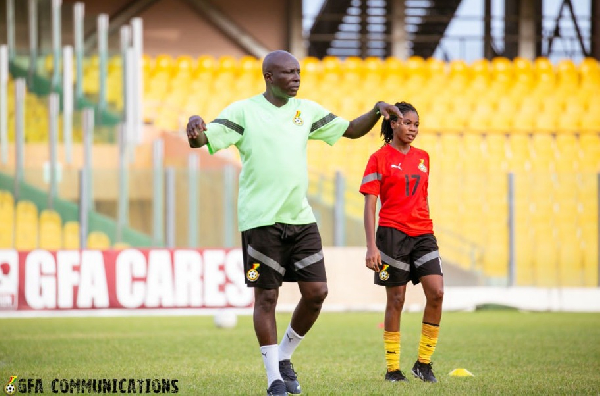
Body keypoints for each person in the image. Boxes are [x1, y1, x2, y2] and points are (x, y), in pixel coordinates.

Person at [186, 50, 401, 396]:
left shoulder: (307, 110)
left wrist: (377, 110)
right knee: (267, 297)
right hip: (261, 221)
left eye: (298, 72)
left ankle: (284, 356)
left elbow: (350, 130)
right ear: (269, 77)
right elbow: (201, 139)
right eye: (288, 73)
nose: (296, 78)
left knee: (317, 294)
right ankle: (274, 379)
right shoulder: (244, 111)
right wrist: (195, 123)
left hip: (300, 219)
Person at [359, 101, 444, 384]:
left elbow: (422, 196)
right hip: (391, 235)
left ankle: (423, 363)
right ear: (393, 123)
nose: (413, 129)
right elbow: (370, 205)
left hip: (423, 234)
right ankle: (393, 369)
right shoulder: (378, 158)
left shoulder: (424, 157)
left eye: (417, 124)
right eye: (408, 123)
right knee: (396, 299)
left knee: (437, 293)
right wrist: (372, 247)